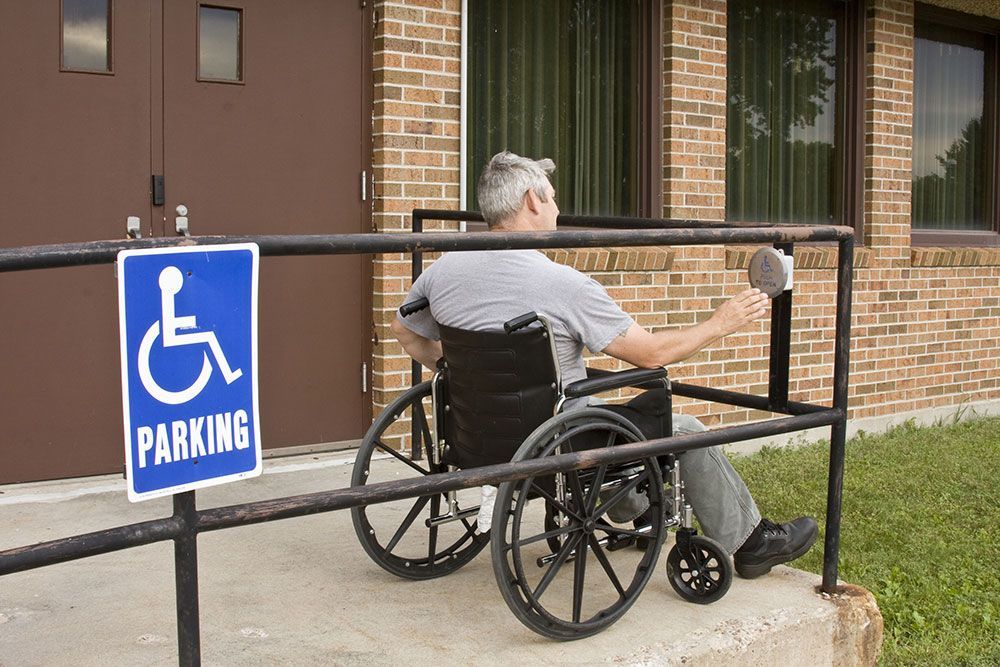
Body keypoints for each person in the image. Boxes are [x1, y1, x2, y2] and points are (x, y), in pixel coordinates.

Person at [391, 150, 818, 578]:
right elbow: (652, 354)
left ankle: (633, 507)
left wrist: (470, 372)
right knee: (684, 427)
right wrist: (720, 323)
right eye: (553, 197)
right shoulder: (562, 284)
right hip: (557, 444)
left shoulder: (443, 270)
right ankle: (751, 542)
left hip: (478, 438)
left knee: (608, 410)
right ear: (532, 202)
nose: (558, 208)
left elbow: (406, 332)